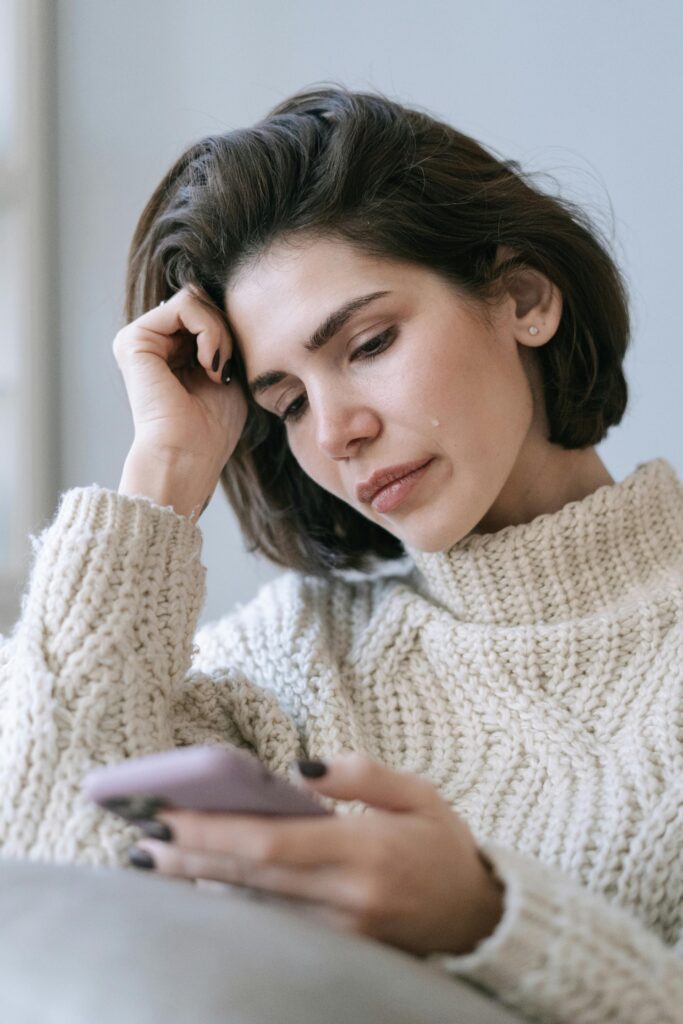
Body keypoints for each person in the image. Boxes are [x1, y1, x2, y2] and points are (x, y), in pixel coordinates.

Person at [1, 84, 681, 1024]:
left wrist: (486, 921)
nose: (338, 431)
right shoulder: (286, 660)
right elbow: (36, 903)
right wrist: (161, 475)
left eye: (368, 343)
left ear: (523, 298)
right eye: (285, 404)